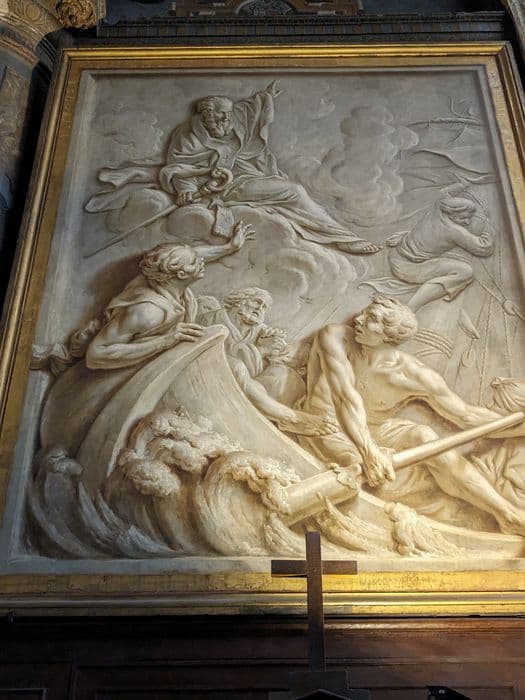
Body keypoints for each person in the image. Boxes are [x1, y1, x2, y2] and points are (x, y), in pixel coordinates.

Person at [300, 295, 525, 536]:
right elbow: (345, 398)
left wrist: (519, 427)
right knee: (359, 464)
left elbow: (467, 416)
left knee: (423, 435)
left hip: (376, 429)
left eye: (371, 318)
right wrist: (370, 452)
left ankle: (506, 514)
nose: (359, 319)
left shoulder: (413, 375)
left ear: (390, 335)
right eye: (365, 312)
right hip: (326, 426)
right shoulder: (334, 337)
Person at [86, 82, 380, 255]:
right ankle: (345, 239)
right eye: (222, 116)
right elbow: (179, 166)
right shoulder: (188, 135)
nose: (227, 121)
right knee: (293, 192)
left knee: (294, 191)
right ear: (207, 117)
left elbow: (251, 109)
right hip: (221, 189)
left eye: (229, 115)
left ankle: (343, 237)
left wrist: (266, 96)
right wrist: (186, 190)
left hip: (243, 176)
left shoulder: (234, 121)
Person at [364, 184, 494, 311]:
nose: (467, 222)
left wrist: (464, 184)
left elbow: (445, 191)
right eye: (462, 218)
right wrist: (488, 226)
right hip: (409, 267)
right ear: (450, 214)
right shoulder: (453, 230)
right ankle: (411, 308)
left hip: (396, 255)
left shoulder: (439, 207)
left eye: (469, 218)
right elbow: (483, 248)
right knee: (465, 272)